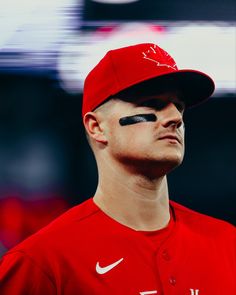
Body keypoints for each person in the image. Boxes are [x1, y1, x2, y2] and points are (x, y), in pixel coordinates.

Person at [0, 43, 235, 294]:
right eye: (153, 104)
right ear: (96, 127)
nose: (175, 117)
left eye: (178, 106)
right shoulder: (43, 261)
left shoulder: (228, 244)